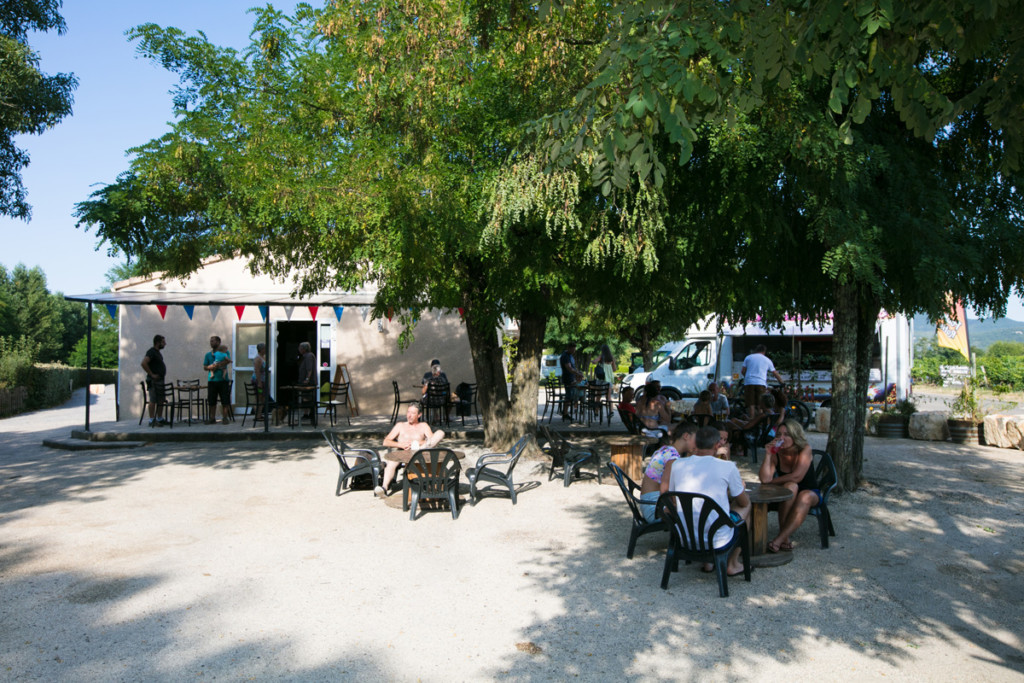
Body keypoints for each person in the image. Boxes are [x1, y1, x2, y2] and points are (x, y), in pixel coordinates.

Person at [663, 425, 751, 577]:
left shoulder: (677, 465)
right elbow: (743, 502)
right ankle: (733, 563)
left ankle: (708, 563)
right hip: (718, 541)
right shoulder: (728, 467)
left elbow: (672, 497)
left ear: (695, 444)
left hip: (685, 538)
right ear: (718, 445)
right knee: (747, 505)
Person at [759, 419, 819, 553]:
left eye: (786, 435)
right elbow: (764, 478)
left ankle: (779, 539)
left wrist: (771, 482)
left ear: (795, 436)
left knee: (803, 494)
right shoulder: (777, 452)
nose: (781, 438)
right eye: (779, 434)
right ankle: (784, 537)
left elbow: (797, 477)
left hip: (809, 491)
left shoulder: (805, 449)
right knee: (791, 487)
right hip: (787, 490)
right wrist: (768, 455)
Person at [378, 403, 445, 498]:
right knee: (391, 462)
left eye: (413, 413)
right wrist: (400, 444)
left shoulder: (423, 426)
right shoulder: (400, 425)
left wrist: (417, 443)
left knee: (440, 433)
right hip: (402, 452)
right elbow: (385, 441)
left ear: (419, 415)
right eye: (408, 412)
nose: (409, 415)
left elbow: (432, 441)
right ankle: (384, 488)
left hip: (420, 452)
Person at [638, 422, 697, 523]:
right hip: (654, 510)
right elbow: (666, 490)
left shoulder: (666, 449)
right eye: (696, 440)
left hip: (649, 503)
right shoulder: (672, 458)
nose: (697, 444)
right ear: (686, 436)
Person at [741, 344, 783, 418]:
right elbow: (775, 373)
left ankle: (752, 421)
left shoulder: (748, 357)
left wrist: (748, 377)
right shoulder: (767, 360)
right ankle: (760, 422)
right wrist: (782, 382)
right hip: (761, 383)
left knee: (751, 404)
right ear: (764, 351)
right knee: (760, 404)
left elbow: (743, 371)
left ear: (756, 350)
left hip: (749, 382)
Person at [204, 335, 232, 424]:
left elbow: (228, 361)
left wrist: (217, 365)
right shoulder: (208, 355)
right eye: (210, 341)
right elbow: (205, 367)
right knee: (212, 400)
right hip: (212, 381)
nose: (211, 342)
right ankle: (212, 418)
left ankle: (225, 418)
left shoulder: (225, 352)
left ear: (218, 342)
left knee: (225, 399)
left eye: (213, 341)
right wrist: (210, 367)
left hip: (223, 380)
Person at [141, 334, 168, 428]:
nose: (165, 344)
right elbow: (144, 363)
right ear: (158, 342)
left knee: (161, 400)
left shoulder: (158, 352)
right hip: (154, 381)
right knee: (153, 400)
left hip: (160, 380)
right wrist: (152, 374)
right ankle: (152, 420)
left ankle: (160, 418)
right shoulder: (151, 352)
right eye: (163, 342)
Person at [559, 342, 584, 418]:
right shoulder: (565, 356)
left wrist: (578, 372)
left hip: (572, 378)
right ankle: (565, 413)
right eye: (572, 349)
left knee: (573, 395)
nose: (574, 351)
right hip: (568, 378)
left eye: (574, 349)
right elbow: (569, 368)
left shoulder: (570, 356)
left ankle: (567, 411)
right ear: (568, 348)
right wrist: (577, 373)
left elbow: (573, 367)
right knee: (569, 396)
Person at [251, 342, 274, 420]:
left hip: (263, 380)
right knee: (260, 397)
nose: (266, 350)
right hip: (259, 381)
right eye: (265, 348)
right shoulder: (258, 358)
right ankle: (257, 415)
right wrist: (259, 382)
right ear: (261, 349)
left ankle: (259, 414)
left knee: (263, 398)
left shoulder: (263, 357)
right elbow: (257, 370)